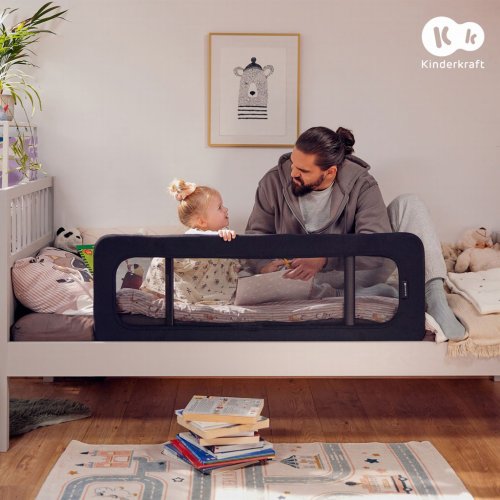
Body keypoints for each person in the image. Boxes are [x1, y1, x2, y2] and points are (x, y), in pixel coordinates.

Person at [246, 126, 466, 340]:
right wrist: (264, 265)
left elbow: (375, 246)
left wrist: (324, 258)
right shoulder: (273, 181)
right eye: (293, 164)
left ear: (330, 172)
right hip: (296, 276)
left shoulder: (362, 183)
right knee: (271, 285)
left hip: (352, 271)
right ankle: (359, 295)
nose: (293, 173)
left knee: (410, 203)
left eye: (303, 171)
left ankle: (435, 299)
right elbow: (255, 234)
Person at [142, 179, 239, 305]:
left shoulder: (223, 233)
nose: (226, 209)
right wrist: (220, 236)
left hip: (212, 287)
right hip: (190, 284)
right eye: (219, 207)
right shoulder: (194, 234)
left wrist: (224, 235)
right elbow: (204, 239)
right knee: (160, 260)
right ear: (202, 221)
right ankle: (165, 294)